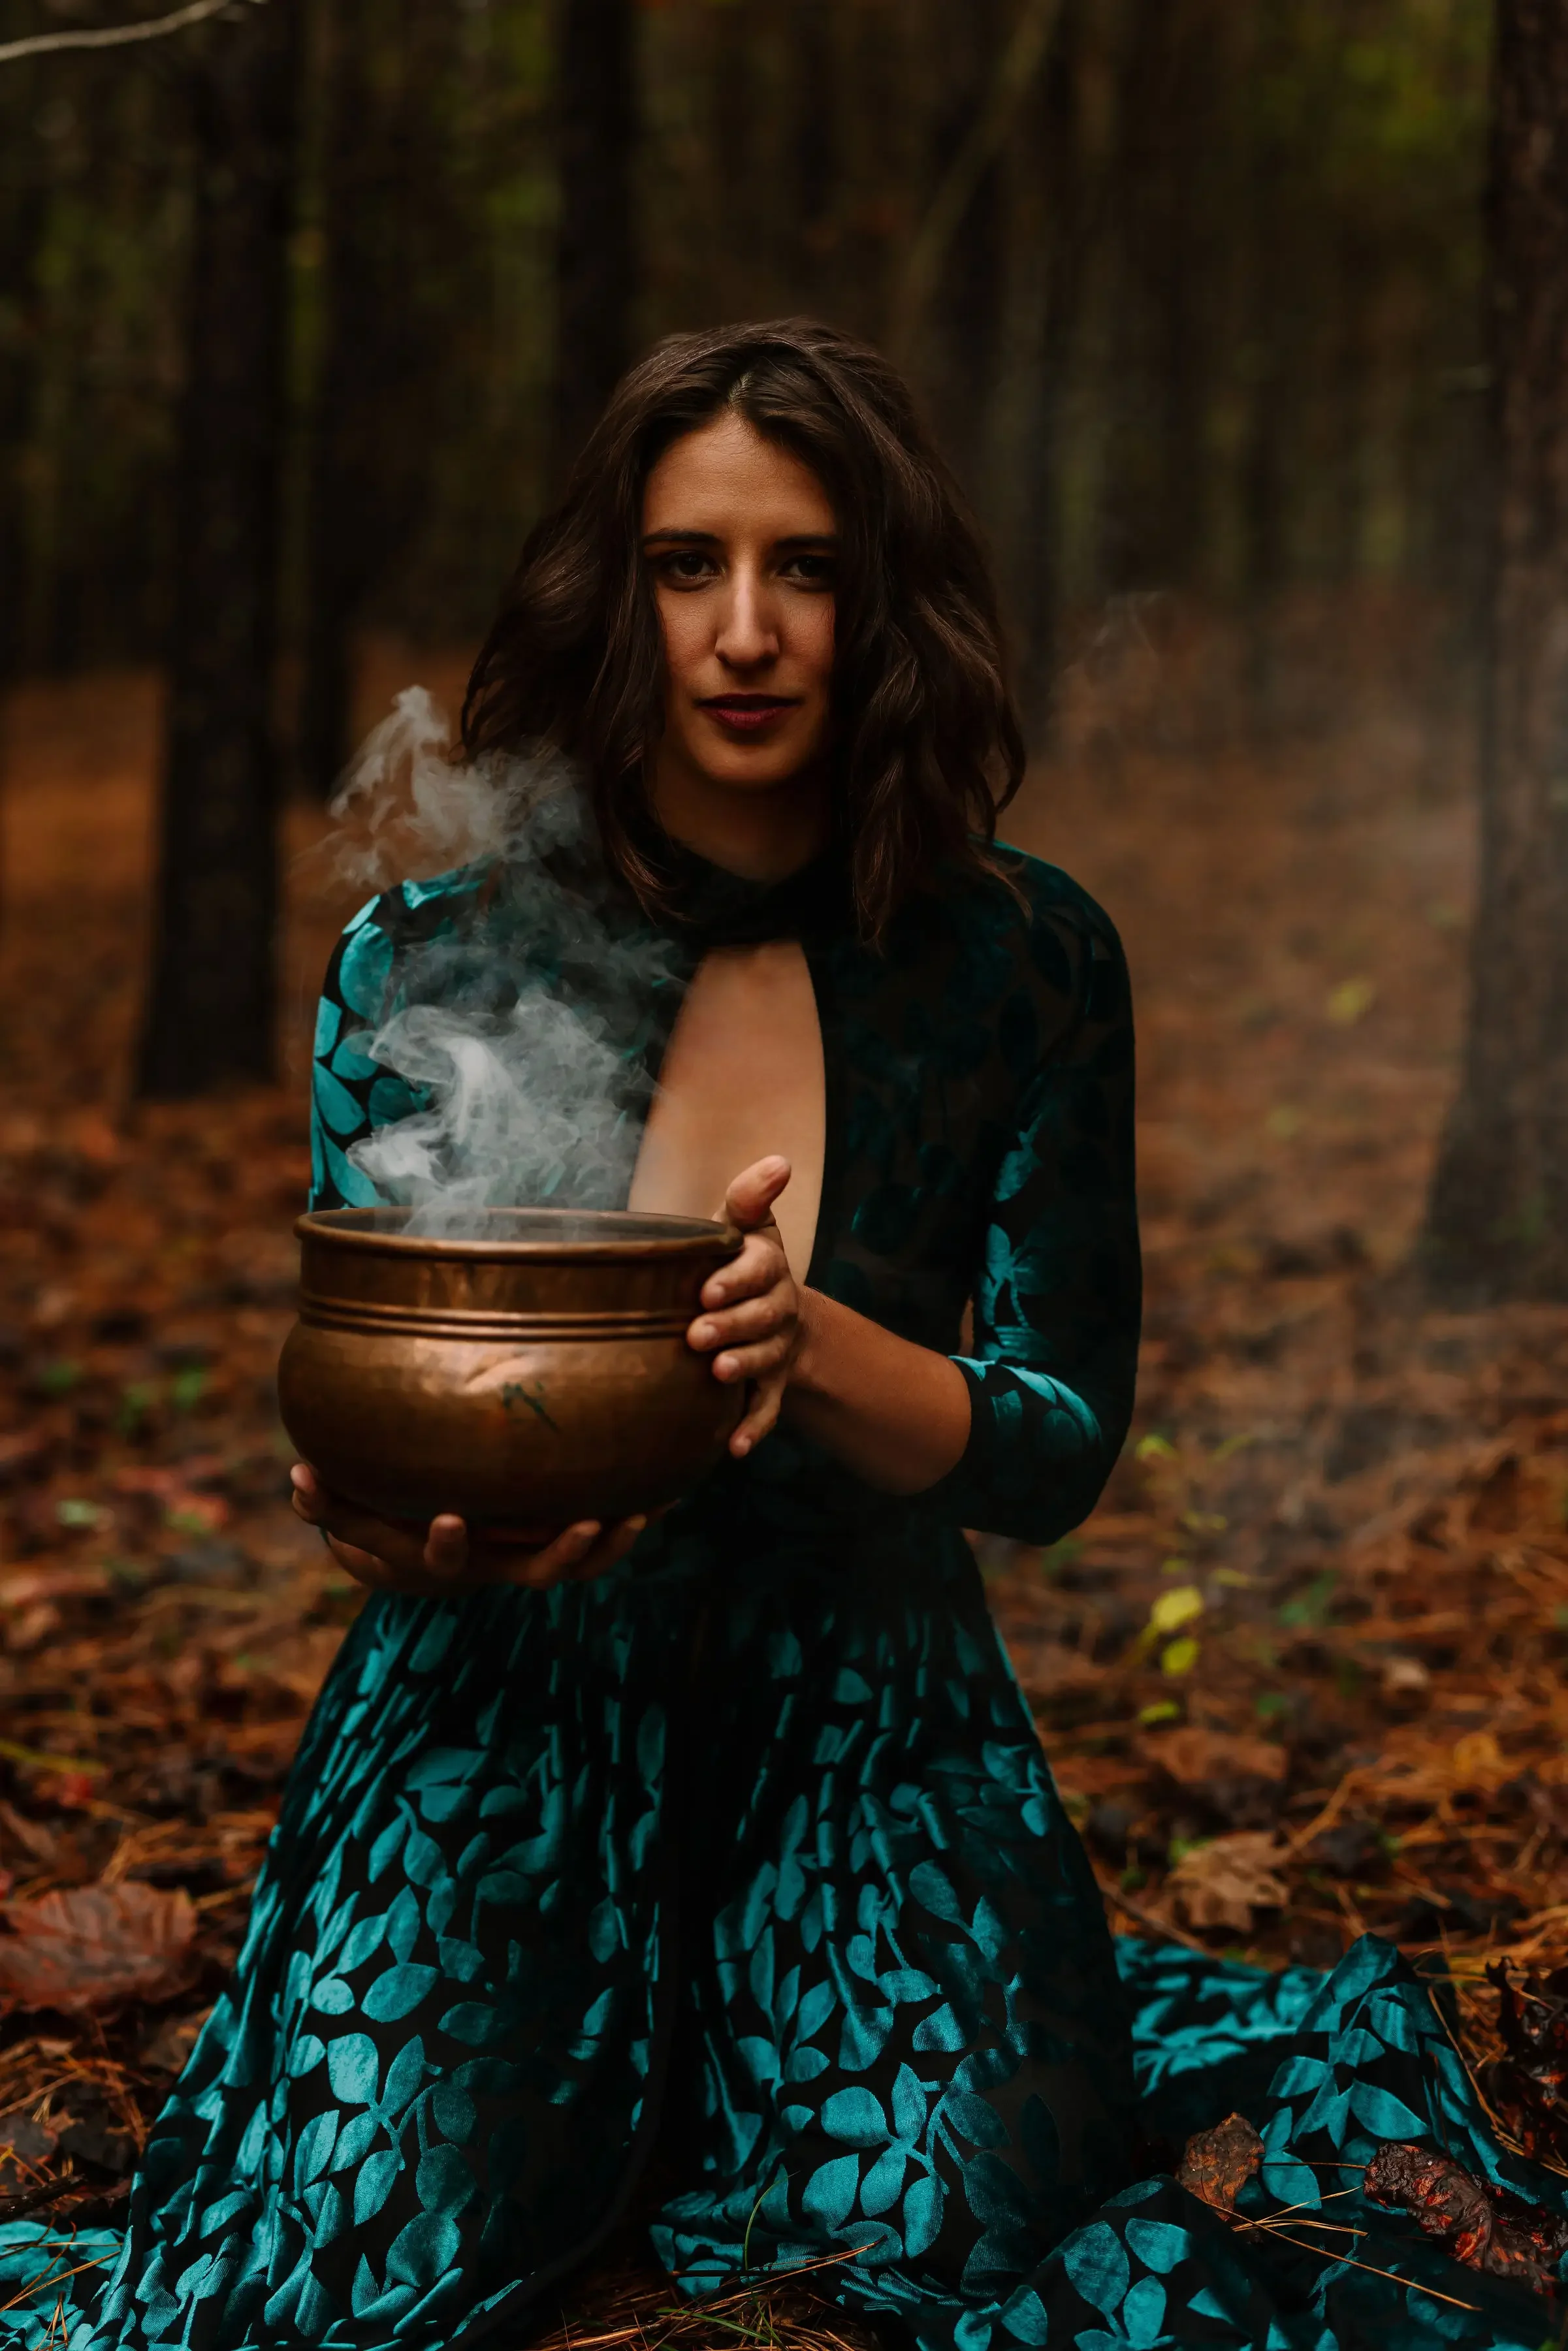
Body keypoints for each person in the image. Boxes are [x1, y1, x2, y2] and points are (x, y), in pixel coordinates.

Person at [1, 321, 1559, 2351]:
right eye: (686, 565)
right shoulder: (430, 956)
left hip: (875, 1717)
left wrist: (805, 1346)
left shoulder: (1024, 961)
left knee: (942, 2228)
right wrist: (397, 1525)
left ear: (884, 603)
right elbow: (393, 1385)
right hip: (504, 1716)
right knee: (360, 2246)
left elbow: (1064, 1442)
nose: (747, 631)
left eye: (806, 568)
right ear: (613, 597)